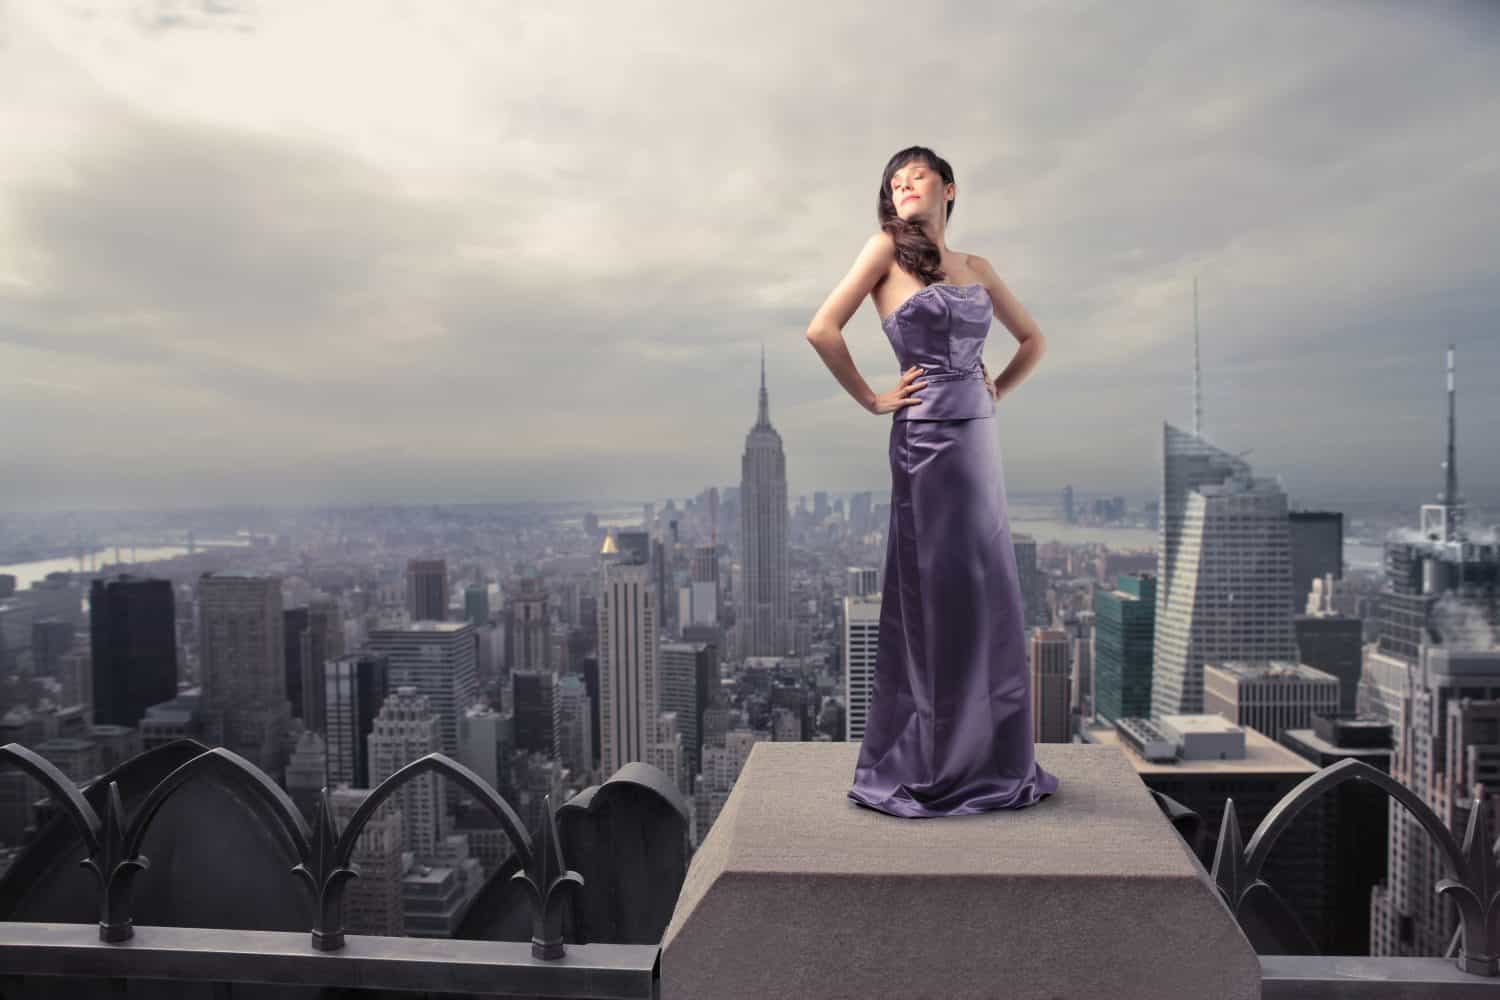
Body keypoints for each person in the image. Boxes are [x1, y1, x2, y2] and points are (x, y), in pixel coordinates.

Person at [803, 146, 1060, 818]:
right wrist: (872, 398)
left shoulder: (977, 267)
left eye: (915, 175)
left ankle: (996, 758)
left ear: (948, 188)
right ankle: (932, 759)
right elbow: (822, 329)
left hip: (978, 438)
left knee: (988, 588)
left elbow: (1032, 339)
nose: (903, 185)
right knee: (935, 592)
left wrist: (994, 389)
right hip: (924, 440)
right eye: (894, 181)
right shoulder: (885, 249)